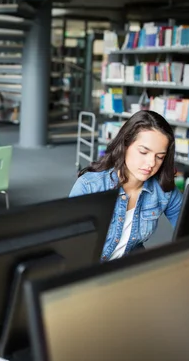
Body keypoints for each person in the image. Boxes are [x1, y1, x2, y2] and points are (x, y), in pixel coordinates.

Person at [69, 110, 182, 262]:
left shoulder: (163, 189)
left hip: (128, 271)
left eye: (159, 157)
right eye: (143, 152)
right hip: (90, 273)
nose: (151, 163)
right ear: (125, 145)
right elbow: (70, 249)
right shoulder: (89, 186)